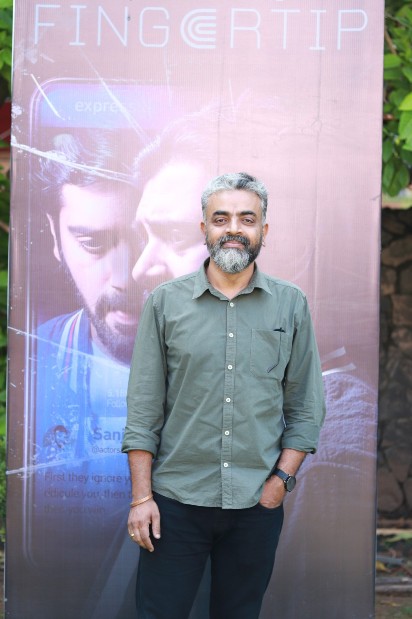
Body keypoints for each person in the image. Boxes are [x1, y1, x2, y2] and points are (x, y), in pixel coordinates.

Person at [122, 172, 326, 619]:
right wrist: (142, 499)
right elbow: (143, 411)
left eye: (246, 219)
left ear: (263, 230)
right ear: (205, 228)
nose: (234, 228)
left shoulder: (291, 304)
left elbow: (306, 406)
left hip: (256, 503)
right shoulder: (165, 303)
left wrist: (279, 483)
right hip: (174, 502)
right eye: (221, 218)